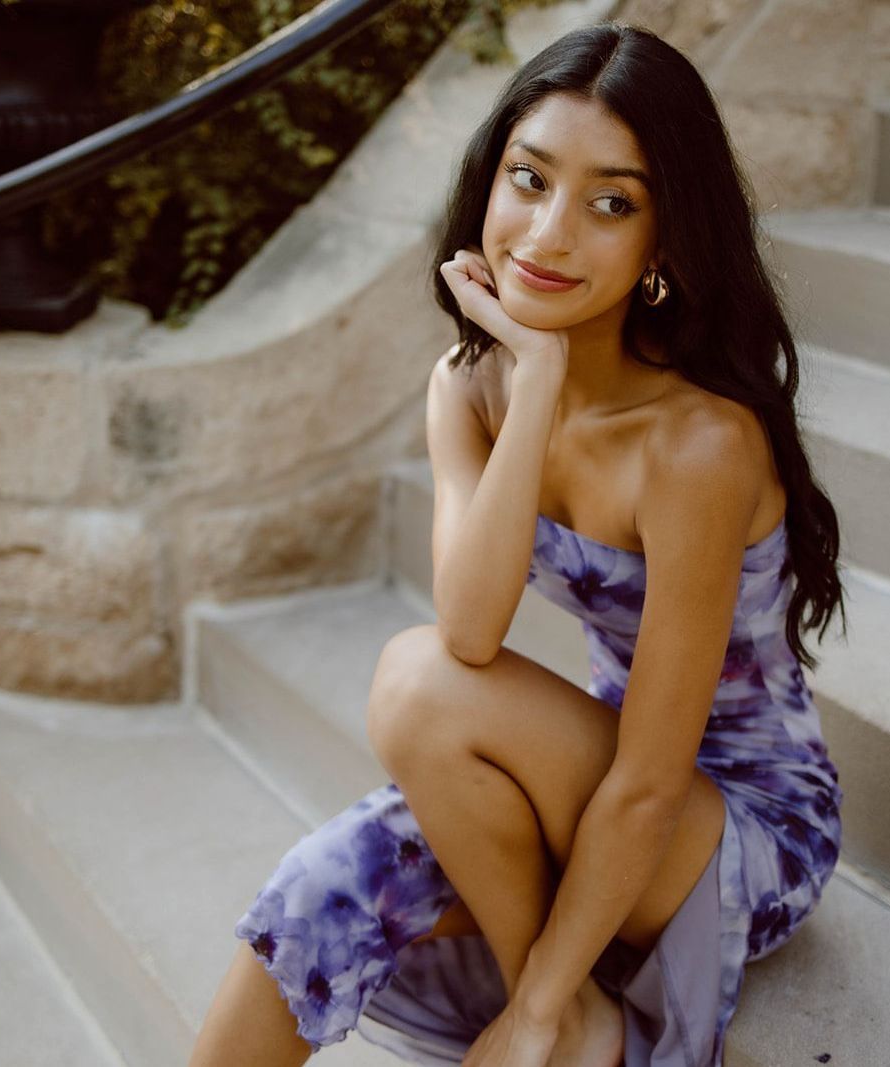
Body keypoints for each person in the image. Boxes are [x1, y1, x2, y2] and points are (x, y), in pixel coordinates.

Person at [188, 19, 847, 1067]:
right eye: (528, 179)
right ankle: (572, 999)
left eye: (610, 204)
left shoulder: (698, 446)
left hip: (734, 830)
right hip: (585, 770)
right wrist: (534, 381)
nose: (545, 236)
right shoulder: (472, 386)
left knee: (415, 684)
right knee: (331, 877)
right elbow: (472, 619)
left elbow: (639, 774)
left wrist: (532, 1001)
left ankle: (559, 1002)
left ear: (663, 242)